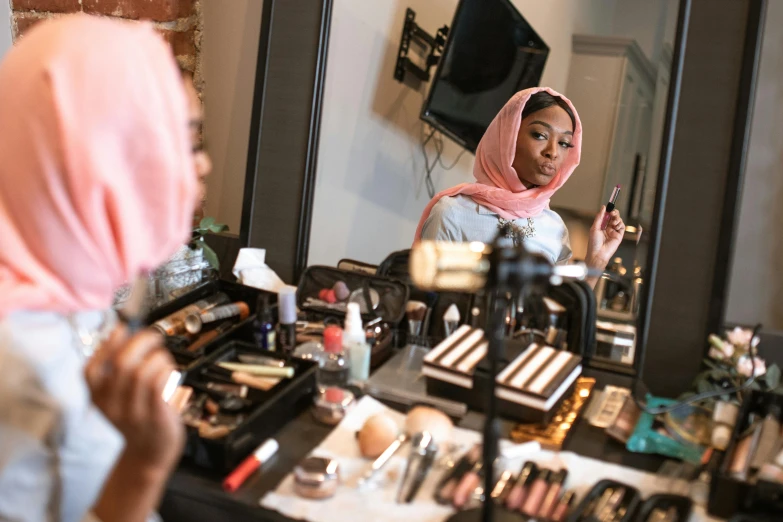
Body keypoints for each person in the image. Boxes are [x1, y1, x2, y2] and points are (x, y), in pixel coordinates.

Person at [0, 14, 210, 522]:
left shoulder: (69, 291)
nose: (200, 165)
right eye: (184, 143)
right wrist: (142, 465)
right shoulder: (13, 364)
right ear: (98, 158)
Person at [415, 87, 625, 287]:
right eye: (540, 135)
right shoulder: (453, 214)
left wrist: (597, 260)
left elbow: (556, 314)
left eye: (564, 143)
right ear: (508, 135)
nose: (553, 152)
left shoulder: (554, 228)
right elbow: (427, 309)